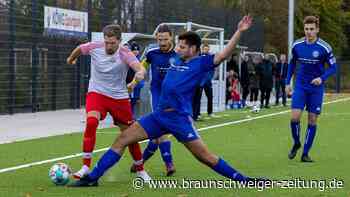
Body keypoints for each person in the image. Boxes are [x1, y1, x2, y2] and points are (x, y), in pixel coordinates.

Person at [69, 15, 261, 187]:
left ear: (193, 49)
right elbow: (145, 62)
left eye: (182, 46)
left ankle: (244, 180)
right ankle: (92, 177)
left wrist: (239, 31)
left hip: (178, 119)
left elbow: (224, 54)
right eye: (177, 45)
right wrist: (137, 77)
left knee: (205, 157)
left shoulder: (201, 63)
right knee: (122, 139)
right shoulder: (175, 59)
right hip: (158, 116)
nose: (177, 49)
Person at [66, 24, 151, 181]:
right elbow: (79, 48)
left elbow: (139, 67)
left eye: (112, 43)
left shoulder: (125, 53)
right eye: (107, 42)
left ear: (119, 41)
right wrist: (71, 59)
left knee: (129, 134)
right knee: (91, 122)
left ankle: (140, 169)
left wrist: (140, 73)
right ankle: (85, 166)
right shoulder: (94, 47)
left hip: (119, 97)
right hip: (97, 93)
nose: (109, 46)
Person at [286, 16, 338, 162]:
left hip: (316, 89)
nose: (309, 32)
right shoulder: (297, 45)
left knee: (312, 120)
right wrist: (287, 82)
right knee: (294, 117)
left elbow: (334, 67)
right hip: (301, 86)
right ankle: (296, 143)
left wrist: (322, 78)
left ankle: (305, 153)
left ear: (317, 30)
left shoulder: (324, 48)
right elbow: (292, 64)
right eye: (306, 29)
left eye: (311, 29)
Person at [130, 25, 177, 176]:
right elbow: (142, 68)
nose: (162, 42)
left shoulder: (179, 55)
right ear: (156, 38)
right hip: (157, 95)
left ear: (171, 37)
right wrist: (134, 82)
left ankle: (141, 161)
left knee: (157, 134)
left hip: (174, 97)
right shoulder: (151, 53)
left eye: (165, 39)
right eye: (159, 39)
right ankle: (169, 163)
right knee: (161, 128)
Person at [192, 43, 214, 120]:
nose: (206, 50)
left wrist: (210, 77)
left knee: (210, 97)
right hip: (200, 82)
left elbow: (212, 69)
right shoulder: (199, 57)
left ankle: (210, 112)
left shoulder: (210, 57)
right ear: (202, 49)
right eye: (205, 49)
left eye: (207, 49)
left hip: (207, 81)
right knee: (198, 98)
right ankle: (197, 114)